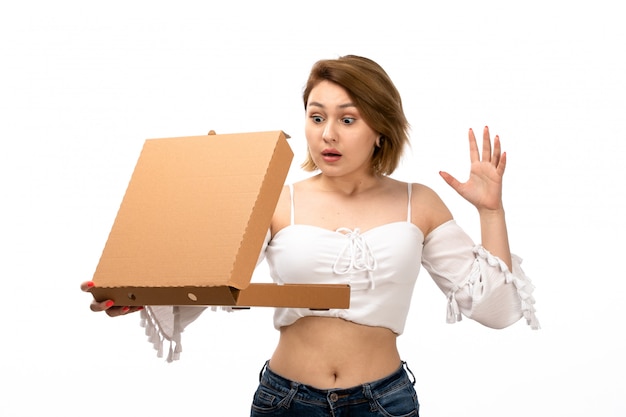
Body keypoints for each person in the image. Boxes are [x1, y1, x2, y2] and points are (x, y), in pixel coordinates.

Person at [82, 55, 539, 416]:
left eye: (347, 119)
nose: (327, 135)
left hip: (384, 403)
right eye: (316, 117)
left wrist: (490, 212)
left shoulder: (418, 202)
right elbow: (206, 281)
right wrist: (136, 291)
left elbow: (496, 310)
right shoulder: (275, 200)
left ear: (379, 129)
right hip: (285, 402)